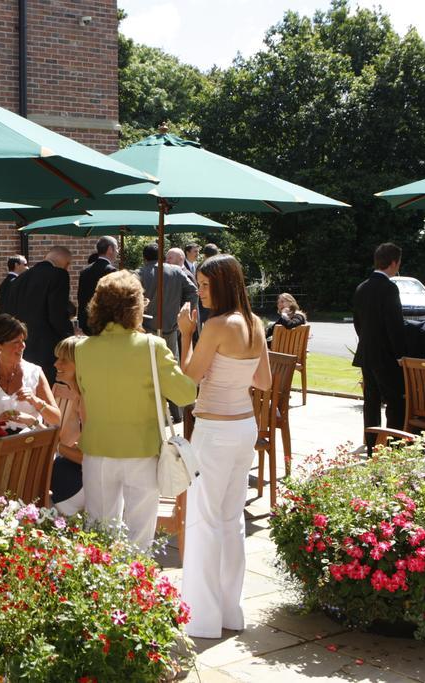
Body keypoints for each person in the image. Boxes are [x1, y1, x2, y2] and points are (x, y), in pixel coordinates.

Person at [176, 254, 272, 640]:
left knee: (204, 521)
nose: (199, 292)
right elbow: (263, 381)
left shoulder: (216, 326)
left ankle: (201, 617)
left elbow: (187, 381)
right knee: (231, 521)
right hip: (244, 427)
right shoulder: (255, 322)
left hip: (215, 431)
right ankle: (230, 611)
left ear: (221, 284)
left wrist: (185, 334)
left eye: (203, 284)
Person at [74, 272, 197, 551]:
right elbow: (186, 394)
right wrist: (187, 339)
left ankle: (102, 592)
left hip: (97, 450)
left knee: (99, 538)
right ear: (136, 306)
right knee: (139, 540)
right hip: (140, 451)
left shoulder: (83, 349)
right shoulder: (152, 346)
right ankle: (136, 591)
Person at [352, 243, 406, 452]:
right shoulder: (389, 288)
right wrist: (401, 355)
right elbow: (394, 324)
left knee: (371, 402)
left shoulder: (362, 287)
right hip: (386, 357)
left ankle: (372, 446)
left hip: (367, 353)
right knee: (395, 403)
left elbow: (358, 323)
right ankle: (393, 448)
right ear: (393, 263)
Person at [4, 246, 73, 384]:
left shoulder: (20, 278)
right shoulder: (59, 275)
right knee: (49, 392)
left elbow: (10, 312)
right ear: (66, 263)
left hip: (23, 346)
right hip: (48, 349)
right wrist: (69, 336)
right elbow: (57, 315)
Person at [138, 243, 197, 357]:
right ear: (162, 256)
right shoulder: (176, 271)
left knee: (151, 365)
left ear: (144, 258)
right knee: (172, 364)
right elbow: (193, 292)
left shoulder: (140, 273)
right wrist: (184, 314)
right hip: (172, 326)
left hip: (147, 328)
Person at [49, 336, 84, 515]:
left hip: (83, 487)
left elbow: (88, 458)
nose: (56, 364)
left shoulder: (88, 401)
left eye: (64, 360)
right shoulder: (78, 395)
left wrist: (52, 446)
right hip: (72, 482)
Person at [77, 236, 118, 335]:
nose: (118, 251)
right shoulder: (111, 271)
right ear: (110, 249)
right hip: (105, 324)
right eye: (116, 248)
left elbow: (80, 297)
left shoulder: (84, 272)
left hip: (87, 322)